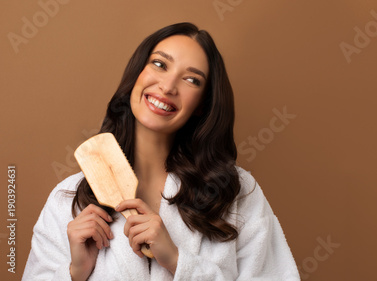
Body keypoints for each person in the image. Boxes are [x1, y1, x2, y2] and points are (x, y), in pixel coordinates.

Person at [22, 22, 300, 280]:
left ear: (202, 104)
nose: (167, 87)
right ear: (137, 73)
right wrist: (75, 272)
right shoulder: (68, 200)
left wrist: (178, 261)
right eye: (159, 64)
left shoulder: (234, 193)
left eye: (192, 80)